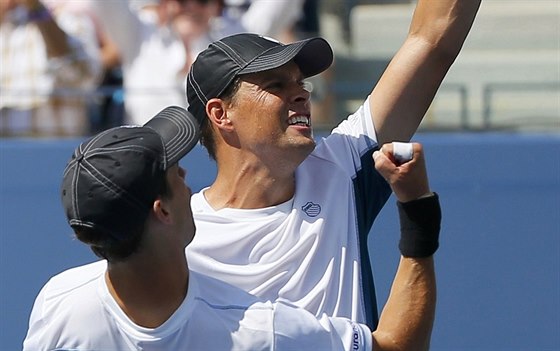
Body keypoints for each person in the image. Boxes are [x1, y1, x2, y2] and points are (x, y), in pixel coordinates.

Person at [22, 103, 441, 349]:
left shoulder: (58, 304)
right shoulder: (258, 330)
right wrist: (417, 211)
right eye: (175, 175)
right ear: (162, 211)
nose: (188, 179)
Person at [185, 0, 481, 330]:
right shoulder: (175, 237)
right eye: (276, 85)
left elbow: (432, 40)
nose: (301, 94)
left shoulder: (342, 166)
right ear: (220, 114)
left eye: (301, 83)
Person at [88, 0, 244, 126]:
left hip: (211, 158)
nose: (191, 6)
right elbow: (108, 5)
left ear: (216, 6)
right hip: (148, 156)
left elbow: (268, 12)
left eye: (202, 1)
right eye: (181, 0)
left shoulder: (233, 40)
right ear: (166, 3)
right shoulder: (139, 35)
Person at [0, 0, 102, 137]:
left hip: (59, 147)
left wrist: (36, 10)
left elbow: (85, 76)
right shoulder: (6, 25)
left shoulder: (69, 17)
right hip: (7, 151)